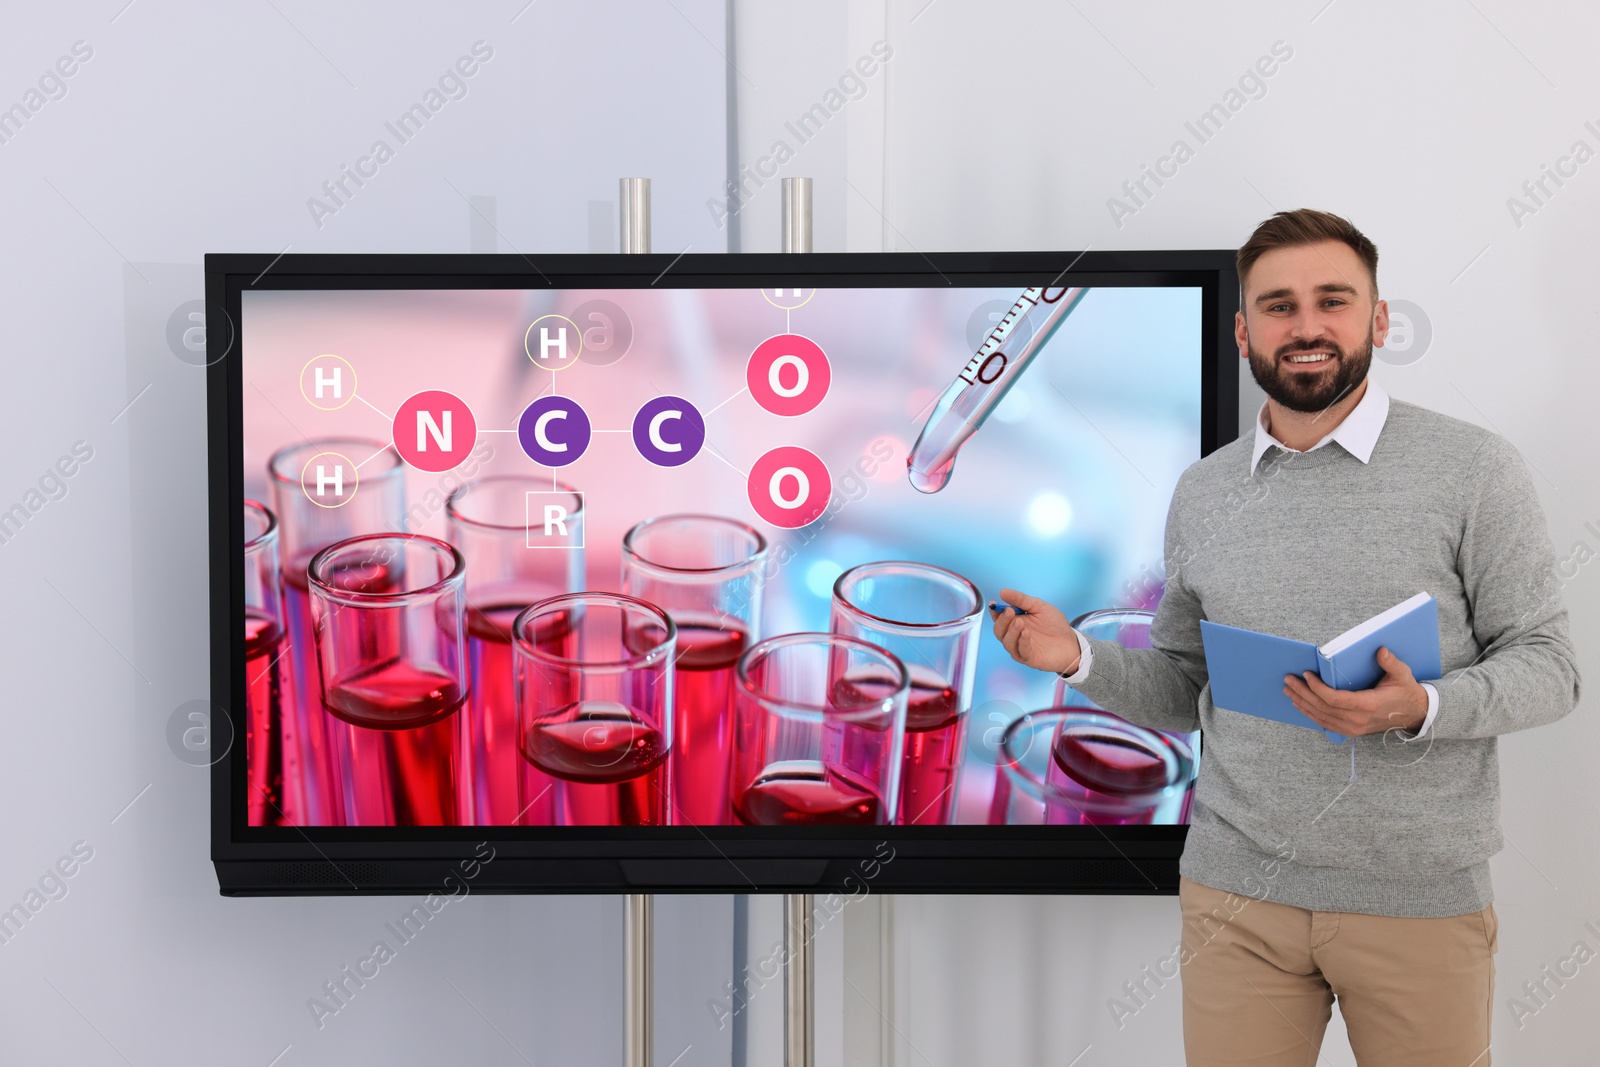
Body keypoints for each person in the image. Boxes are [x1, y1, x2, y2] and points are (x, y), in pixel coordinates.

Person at [991, 208, 1581, 1066]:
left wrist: (1422, 707)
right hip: (1237, 897)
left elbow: (1551, 666)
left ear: (1378, 320)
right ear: (1243, 331)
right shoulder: (1203, 490)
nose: (1306, 326)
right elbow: (1188, 685)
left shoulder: (1473, 469)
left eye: (1332, 301)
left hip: (1417, 901)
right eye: (1278, 306)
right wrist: (1075, 657)